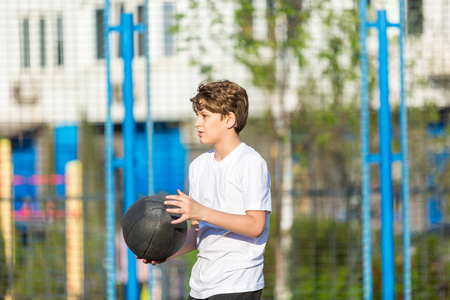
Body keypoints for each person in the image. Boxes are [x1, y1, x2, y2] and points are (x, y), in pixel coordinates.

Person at [138, 80, 271, 300]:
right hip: (202, 286)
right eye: (197, 116)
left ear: (229, 119)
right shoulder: (198, 166)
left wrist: (201, 212)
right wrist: (166, 251)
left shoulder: (251, 162)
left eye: (205, 116)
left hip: (238, 284)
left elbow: (256, 225)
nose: (197, 123)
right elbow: (200, 232)